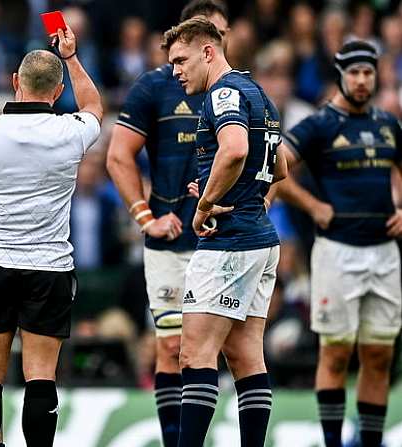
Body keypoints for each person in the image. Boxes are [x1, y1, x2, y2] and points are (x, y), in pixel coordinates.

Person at [0, 25, 101, 446]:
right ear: (57, 90)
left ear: (15, 83)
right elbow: (94, 105)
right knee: (41, 377)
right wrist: (70, 56)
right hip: (49, 269)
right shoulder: (71, 132)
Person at [105, 2, 229, 445]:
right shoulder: (154, 87)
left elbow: (273, 160)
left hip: (225, 238)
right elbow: (118, 155)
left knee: (225, 351)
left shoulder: (239, 91)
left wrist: (246, 200)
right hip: (171, 238)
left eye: (222, 34)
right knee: (172, 347)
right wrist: (146, 217)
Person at [161, 17, 287, 446]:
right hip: (261, 240)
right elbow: (280, 167)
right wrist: (231, 184)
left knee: (194, 354)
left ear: (208, 52)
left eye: (181, 60)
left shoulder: (224, 92)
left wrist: (205, 203)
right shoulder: (259, 93)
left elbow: (235, 148)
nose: (176, 71)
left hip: (228, 242)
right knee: (245, 355)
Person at [276, 41, 402, 447]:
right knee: (335, 353)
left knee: (379, 354)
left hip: (384, 252)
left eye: (369, 73)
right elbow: (278, 166)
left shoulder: (387, 123)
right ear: (341, 76)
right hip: (336, 252)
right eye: (355, 73)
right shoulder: (320, 124)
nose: (362, 81)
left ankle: (369, 442)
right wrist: (313, 205)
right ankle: (333, 443)